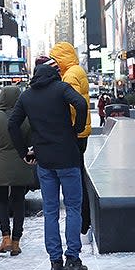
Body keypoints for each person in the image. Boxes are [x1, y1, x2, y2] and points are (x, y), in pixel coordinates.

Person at [8, 58, 89, 270]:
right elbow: (81, 104)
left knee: (50, 211)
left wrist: (24, 152)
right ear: (54, 75)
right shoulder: (61, 89)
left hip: (44, 160)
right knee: (73, 208)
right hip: (68, 157)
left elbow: (12, 124)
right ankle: (73, 258)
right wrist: (77, 129)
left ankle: (55, 262)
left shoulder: (27, 96)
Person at [49, 43, 94, 237]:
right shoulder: (76, 71)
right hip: (81, 133)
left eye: (55, 59)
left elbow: (75, 106)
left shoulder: (70, 76)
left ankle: (84, 221)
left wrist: (73, 128)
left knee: (76, 179)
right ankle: (85, 219)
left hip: (76, 135)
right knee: (78, 175)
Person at [0, 86, 34, 256]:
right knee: (19, 202)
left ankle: (5, 237)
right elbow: (30, 140)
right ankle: (16, 242)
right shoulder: (25, 118)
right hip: (21, 164)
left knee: (2, 201)